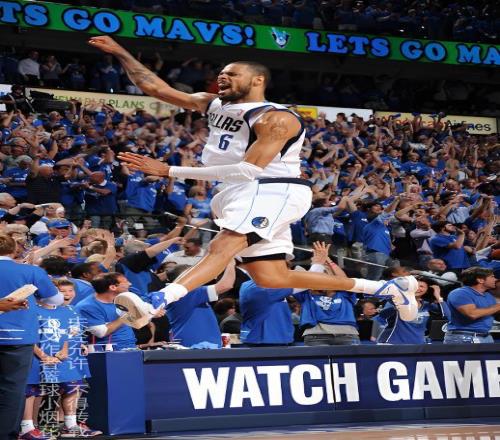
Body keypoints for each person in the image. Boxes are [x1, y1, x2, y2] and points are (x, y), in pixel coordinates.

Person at [88, 36, 418, 322]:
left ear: (258, 80)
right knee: (271, 277)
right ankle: (387, 288)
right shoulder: (213, 104)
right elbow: (155, 88)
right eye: (221, 74)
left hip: (272, 188)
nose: (223, 77)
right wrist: (121, 52)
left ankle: (156, 301)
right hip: (237, 191)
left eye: (232, 74)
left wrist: (169, 171)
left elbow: (249, 169)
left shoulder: (276, 118)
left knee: (222, 246)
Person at [0, 234, 63, 440]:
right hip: (19, 337)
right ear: (14, 250)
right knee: (13, 389)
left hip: (18, 337)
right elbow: (56, 299)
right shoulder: (31, 271)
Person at [444, 267, 500, 344]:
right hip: (463, 338)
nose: (495, 279)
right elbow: (472, 314)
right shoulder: (460, 293)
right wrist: (498, 306)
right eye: (492, 277)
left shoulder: (488, 296)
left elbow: (493, 313)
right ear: (480, 280)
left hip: (486, 337)